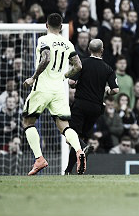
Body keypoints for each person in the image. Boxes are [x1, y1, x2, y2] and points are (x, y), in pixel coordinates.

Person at [22, 13, 84, 175]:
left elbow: (47, 58)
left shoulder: (44, 40)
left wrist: (33, 77)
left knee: (28, 122)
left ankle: (39, 159)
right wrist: (64, 76)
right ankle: (78, 150)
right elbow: (78, 66)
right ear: (62, 27)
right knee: (64, 126)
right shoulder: (67, 43)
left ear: (46, 25)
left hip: (42, 87)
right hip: (58, 90)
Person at [64, 39, 119, 175]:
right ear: (102, 50)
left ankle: (83, 149)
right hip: (96, 108)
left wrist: (75, 85)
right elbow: (115, 90)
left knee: (71, 137)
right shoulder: (108, 68)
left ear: (89, 50)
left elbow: (71, 82)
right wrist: (107, 91)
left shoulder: (82, 64)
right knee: (79, 137)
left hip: (81, 104)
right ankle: (68, 171)